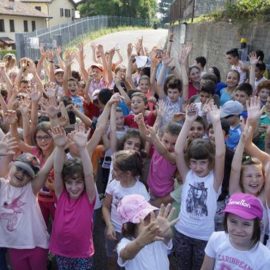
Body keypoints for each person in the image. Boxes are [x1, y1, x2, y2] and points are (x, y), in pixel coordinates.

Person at [174, 102, 225, 270]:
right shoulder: (188, 175)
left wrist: (216, 122)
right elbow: (178, 151)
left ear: (210, 162)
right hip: (182, 233)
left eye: (202, 162)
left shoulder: (214, 180)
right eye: (194, 162)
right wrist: (188, 121)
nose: (197, 167)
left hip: (204, 237)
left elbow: (220, 153)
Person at [49, 124, 96, 270]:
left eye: (78, 182)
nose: (74, 187)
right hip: (61, 252)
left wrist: (82, 148)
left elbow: (88, 174)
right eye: (69, 182)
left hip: (82, 253)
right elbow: (57, 171)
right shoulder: (61, 195)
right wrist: (59, 147)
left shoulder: (88, 198)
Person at [0, 151, 53, 270]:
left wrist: (58, 148)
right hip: (14, 246)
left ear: (30, 179)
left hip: (37, 245)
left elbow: (44, 171)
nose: (21, 173)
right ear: (11, 165)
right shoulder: (2, 186)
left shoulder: (30, 189)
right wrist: (2, 151)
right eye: (19, 168)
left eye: (27, 173)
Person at [102, 150, 149, 270]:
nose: (113, 172)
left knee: (128, 263)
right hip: (113, 231)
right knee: (112, 260)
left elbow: (144, 218)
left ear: (128, 173)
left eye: (116, 170)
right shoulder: (113, 185)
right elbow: (105, 207)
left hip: (130, 236)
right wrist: (109, 225)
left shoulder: (141, 190)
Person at [201, 193, 270, 270]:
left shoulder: (265, 258)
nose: (238, 230)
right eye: (233, 221)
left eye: (246, 224)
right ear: (226, 220)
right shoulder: (216, 239)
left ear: (257, 225)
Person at [116, 194, 178, 270]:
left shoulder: (158, 237)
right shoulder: (125, 242)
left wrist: (167, 233)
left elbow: (168, 237)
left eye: (151, 214)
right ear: (127, 226)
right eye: (144, 218)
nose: (151, 221)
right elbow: (126, 254)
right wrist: (140, 242)